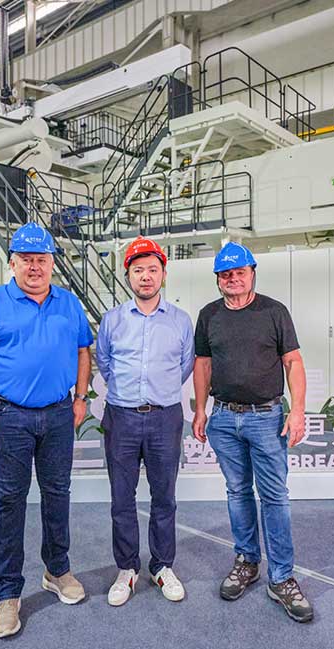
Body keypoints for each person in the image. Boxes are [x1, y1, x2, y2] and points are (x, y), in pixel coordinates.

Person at [0, 222, 93, 638]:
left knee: (57, 493)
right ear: (12, 263)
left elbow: (83, 350)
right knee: (10, 500)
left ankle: (57, 571)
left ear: (52, 264)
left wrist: (81, 398)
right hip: (8, 416)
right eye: (26, 260)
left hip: (58, 415)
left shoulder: (68, 303)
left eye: (42, 260)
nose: (35, 267)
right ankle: (9, 593)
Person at [191, 241, 313, 623]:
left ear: (252, 273)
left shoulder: (273, 312)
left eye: (239, 272)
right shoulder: (209, 315)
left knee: (274, 496)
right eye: (226, 274)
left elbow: (293, 362)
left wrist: (298, 411)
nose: (233, 279)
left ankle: (282, 577)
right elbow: (203, 365)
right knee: (238, 492)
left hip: (267, 418)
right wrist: (200, 410)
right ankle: (247, 561)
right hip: (224, 419)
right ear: (218, 279)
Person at [96, 237, 194, 606]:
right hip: (121, 417)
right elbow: (105, 362)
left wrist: (157, 391)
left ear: (163, 274)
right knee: (121, 498)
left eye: (153, 269)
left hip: (165, 418)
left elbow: (185, 366)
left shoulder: (181, 321)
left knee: (164, 496)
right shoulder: (112, 320)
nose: (146, 276)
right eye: (138, 270)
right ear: (128, 276)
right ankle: (127, 569)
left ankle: (162, 565)